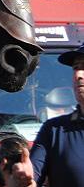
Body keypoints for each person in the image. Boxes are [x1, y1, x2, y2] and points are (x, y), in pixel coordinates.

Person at [30, 44, 84, 186]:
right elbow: (30, 180)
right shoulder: (53, 130)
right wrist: (18, 179)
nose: (78, 75)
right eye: (76, 67)